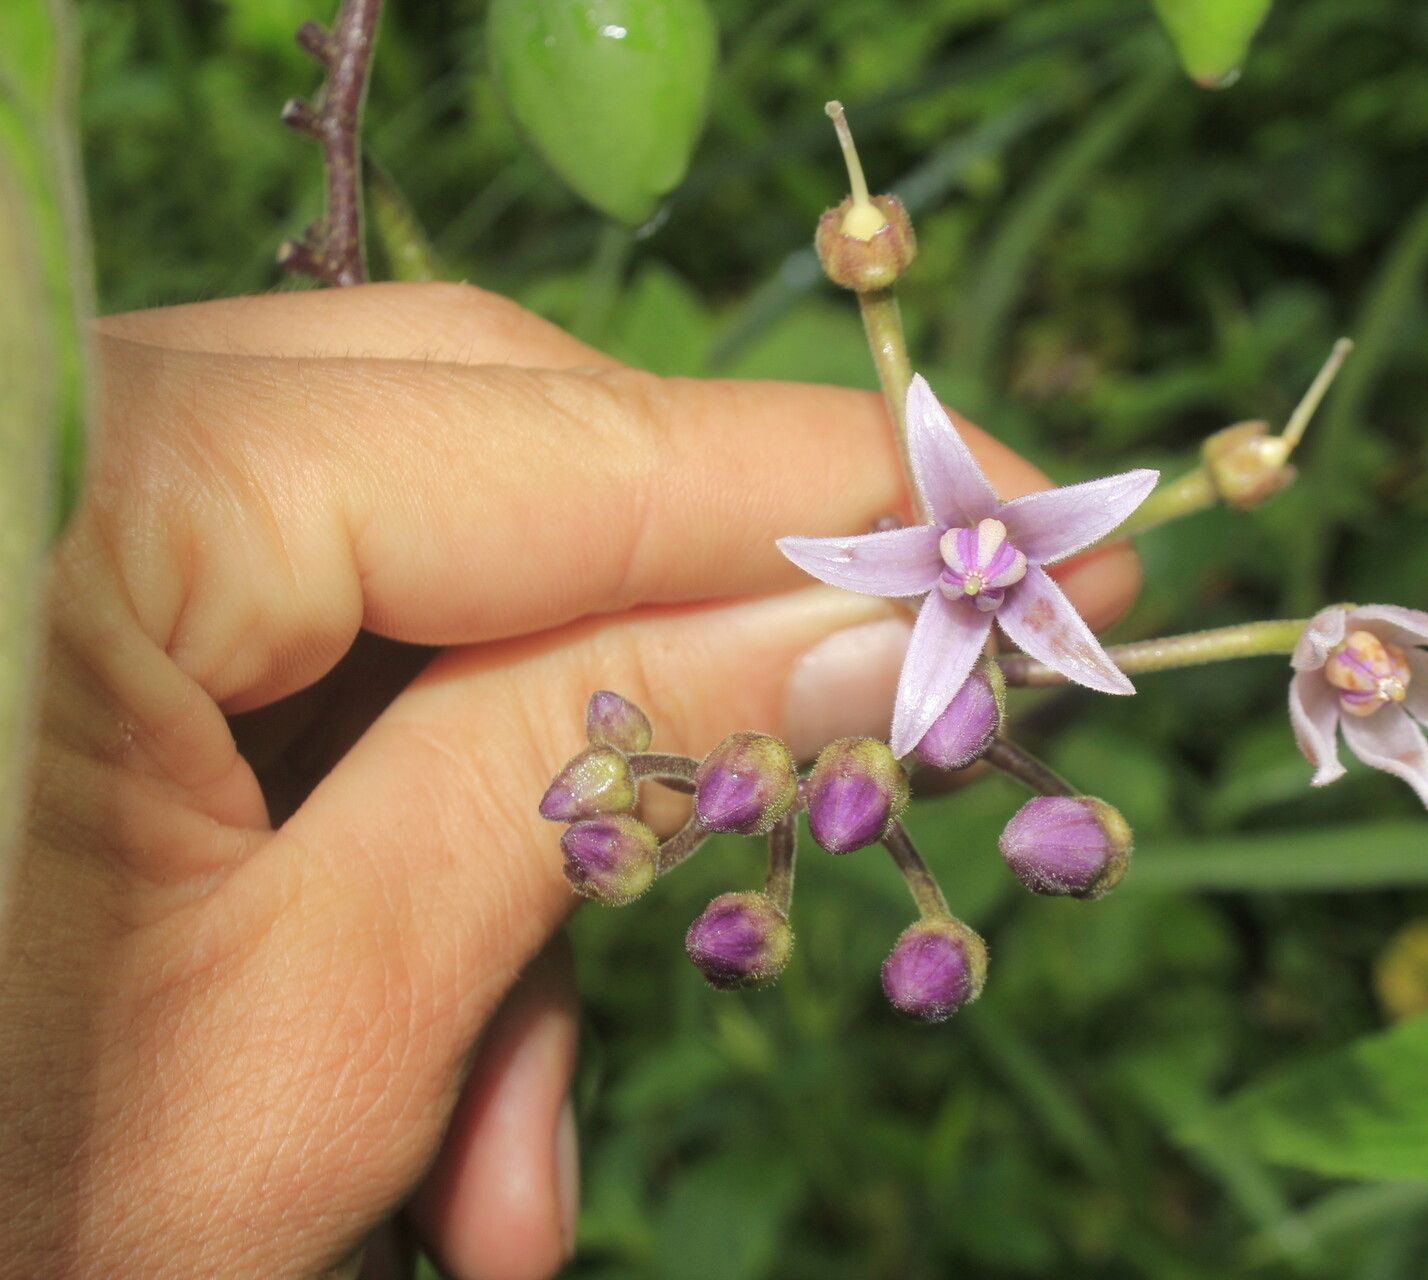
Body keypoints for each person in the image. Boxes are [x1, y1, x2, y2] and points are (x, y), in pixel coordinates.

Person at [0, 283, 1139, 1279]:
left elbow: (938, 701)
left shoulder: (996, 576)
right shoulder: (924, 590)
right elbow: (902, 687)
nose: (979, 561)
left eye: (993, 560)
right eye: (967, 552)